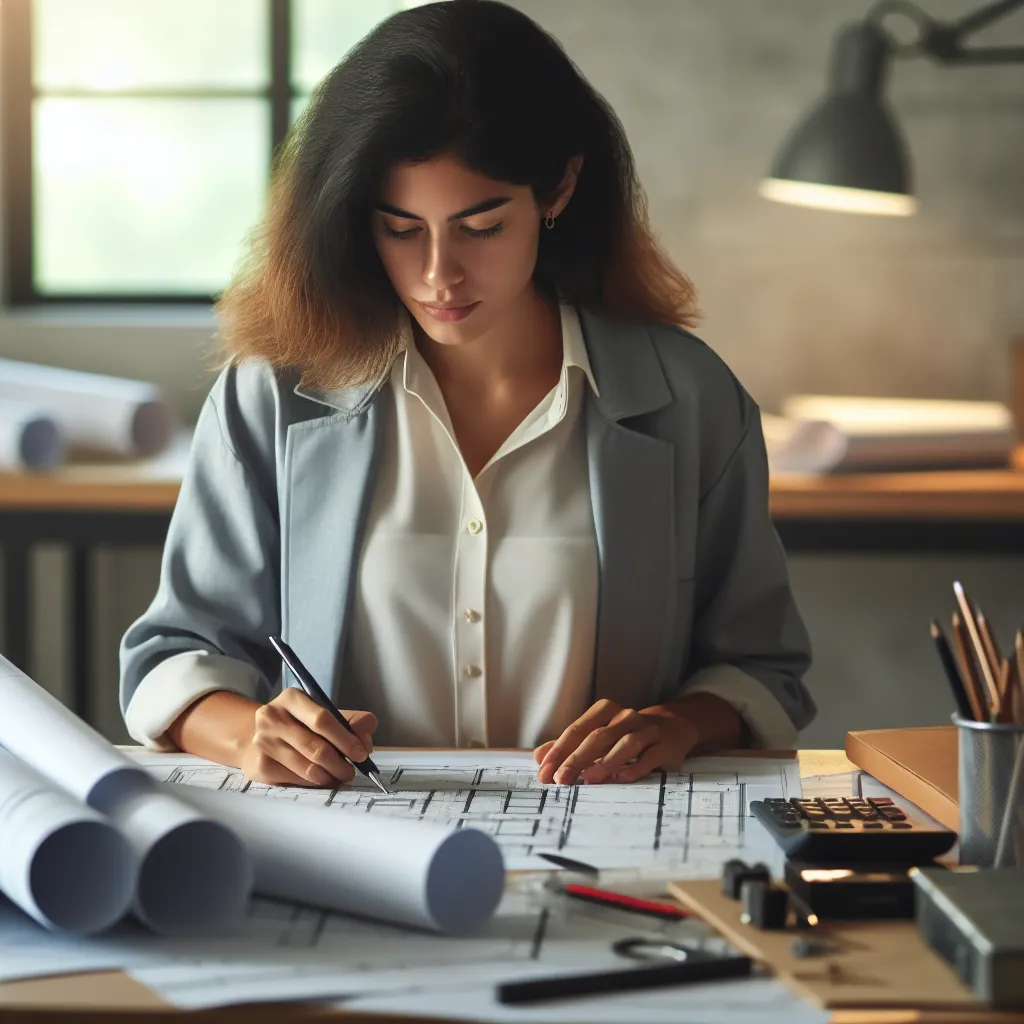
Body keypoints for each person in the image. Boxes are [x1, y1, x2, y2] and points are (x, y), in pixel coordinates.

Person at [120, 0, 815, 790]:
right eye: (400, 227)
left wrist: (674, 723)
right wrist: (250, 734)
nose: (437, 275)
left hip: (606, 840)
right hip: (351, 836)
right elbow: (176, 656)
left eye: (480, 228)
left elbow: (762, 667)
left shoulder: (689, 398)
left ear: (559, 189)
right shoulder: (273, 394)